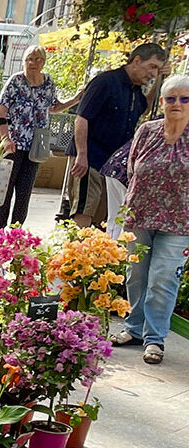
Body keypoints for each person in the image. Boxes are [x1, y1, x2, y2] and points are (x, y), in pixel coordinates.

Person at [112, 74, 189, 365]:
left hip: (181, 221)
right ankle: (133, 329)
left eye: (185, 99)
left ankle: (154, 338)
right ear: (161, 102)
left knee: (163, 280)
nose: (177, 104)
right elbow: (132, 169)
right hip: (140, 215)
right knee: (137, 276)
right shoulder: (147, 131)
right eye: (171, 98)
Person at [70, 42, 166, 227]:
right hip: (90, 157)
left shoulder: (134, 89)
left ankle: (92, 253)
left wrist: (159, 82)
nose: (153, 74)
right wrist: (82, 155)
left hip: (110, 162)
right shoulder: (106, 81)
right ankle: (74, 252)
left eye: (158, 70)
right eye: (152, 66)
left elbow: (143, 109)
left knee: (101, 216)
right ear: (136, 61)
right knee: (84, 210)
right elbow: (81, 118)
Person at [0, 44, 80, 229]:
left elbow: (54, 107)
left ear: (44, 62)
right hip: (13, 142)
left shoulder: (48, 82)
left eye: (38, 59)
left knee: (25, 191)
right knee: (5, 188)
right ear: (24, 61)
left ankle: (16, 231)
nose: (33, 62)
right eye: (29, 59)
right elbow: (0, 111)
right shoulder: (16, 81)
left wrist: (76, 98)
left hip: (36, 144)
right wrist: (5, 138)